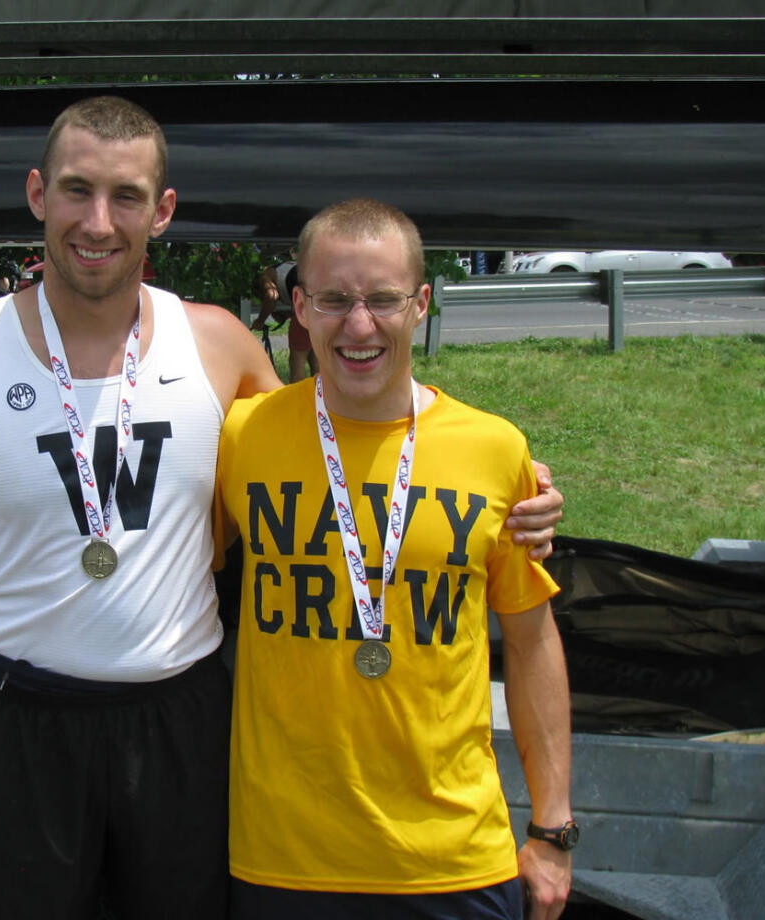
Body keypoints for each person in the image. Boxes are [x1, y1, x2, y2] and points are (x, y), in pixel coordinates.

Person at [0, 97, 565, 919]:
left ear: (162, 212)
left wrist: (507, 485)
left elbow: (338, 450)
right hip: (21, 720)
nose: (98, 222)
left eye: (127, 197)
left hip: (182, 721)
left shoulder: (218, 347)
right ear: (38, 195)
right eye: (76, 190)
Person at [215, 198, 573, 920]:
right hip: (284, 859)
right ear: (299, 307)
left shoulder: (494, 449)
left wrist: (553, 828)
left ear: (420, 305)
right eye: (333, 299)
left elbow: (532, 641)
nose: (358, 325)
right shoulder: (242, 436)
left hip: (452, 858)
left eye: (382, 300)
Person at [250, 258, 314, 383]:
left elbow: (271, 296)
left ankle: (296, 399)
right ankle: (320, 400)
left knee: (297, 360)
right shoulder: (288, 268)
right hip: (319, 305)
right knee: (316, 360)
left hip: (307, 306)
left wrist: (260, 320)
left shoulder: (265, 276)